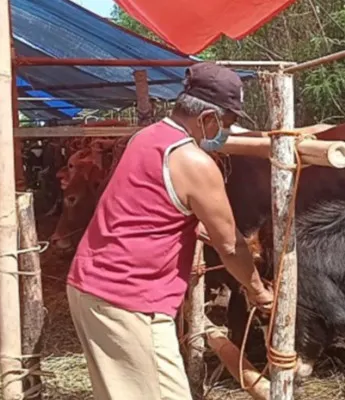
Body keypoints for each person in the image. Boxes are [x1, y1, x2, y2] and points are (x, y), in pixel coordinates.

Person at [66, 62, 274, 400]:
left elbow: (149, 211)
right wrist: (258, 291)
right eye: (227, 123)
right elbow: (231, 245)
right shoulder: (194, 162)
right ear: (207, 118)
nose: (226, 133)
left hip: (125, 293)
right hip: (122, 296)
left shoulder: (147, 137)